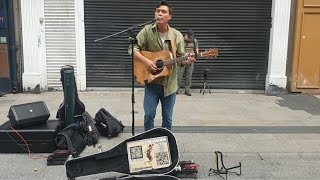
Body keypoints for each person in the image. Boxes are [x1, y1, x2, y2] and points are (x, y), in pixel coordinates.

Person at [129, 1, 195, 131]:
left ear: (169, 17)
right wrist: (147, 62)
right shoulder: (147, 31)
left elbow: (181, 58)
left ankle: (166, 143)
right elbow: (132, 48)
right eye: (158, 11)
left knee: (167, 118)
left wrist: (187, 60)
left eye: (163, 12)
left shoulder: (176, 35)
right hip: (152, 82)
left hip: (169, 85)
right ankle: (148, 142)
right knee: (148, 115)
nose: (160, 13)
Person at [177, 30, 199, 96]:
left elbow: (197, 51)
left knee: (189, 74)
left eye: (191, 38)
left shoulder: (194, 41)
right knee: (179, 74)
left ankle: (187, 89)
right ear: (185, 35)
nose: (190, 39)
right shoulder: (180, 40)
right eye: (189, 38)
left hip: (190, 60)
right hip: (182, 59)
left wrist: (195, 55)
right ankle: (176, 89)